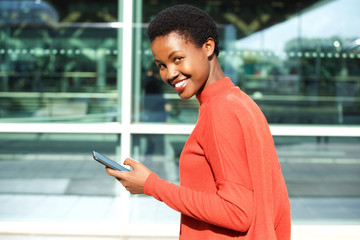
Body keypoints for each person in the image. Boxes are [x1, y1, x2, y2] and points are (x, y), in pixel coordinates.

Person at [106, 4, 291, 239]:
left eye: (178, 59)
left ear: (208, 47)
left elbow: (238, 212)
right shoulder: (243, 103)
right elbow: (280, 204)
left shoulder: (219, 111)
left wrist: (152, 185)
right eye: (161, 65)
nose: (169, 73)